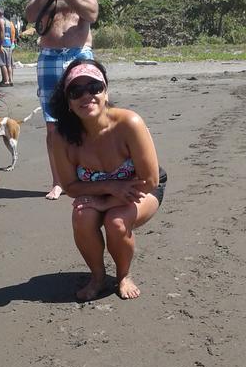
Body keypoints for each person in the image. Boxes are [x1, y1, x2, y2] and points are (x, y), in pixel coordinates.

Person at [49, 59, 166, 302]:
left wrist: (105, 204)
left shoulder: (128, 123)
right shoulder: (61, 137)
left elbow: (151, 180)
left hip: (142, 187)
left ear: (106, 92)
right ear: (68, 101)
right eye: (76, 91)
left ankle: (124, 275)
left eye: (94, 88)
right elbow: (70, 187)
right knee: (82, 217)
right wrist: (109, 188)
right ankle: (98, 276)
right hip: (100, 190)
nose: (87, 96)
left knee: (116, 221)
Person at [25, 0, 98, 200]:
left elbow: (92, 14)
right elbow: (31, 17)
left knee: (88, 117)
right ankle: (58, 181)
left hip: (79, 54)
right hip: (50, 57)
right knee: (53, 124)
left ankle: (90, 174)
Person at [0, 8, 15, 87]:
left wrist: (0, 44)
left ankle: (6, 81)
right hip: (9, 44)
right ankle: (10, 80)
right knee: (9, 64)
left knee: (3, 64)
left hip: (3, 44)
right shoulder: (9, 22)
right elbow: (12, 33)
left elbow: (2, 31)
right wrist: (12, 43)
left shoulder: (0, 20)